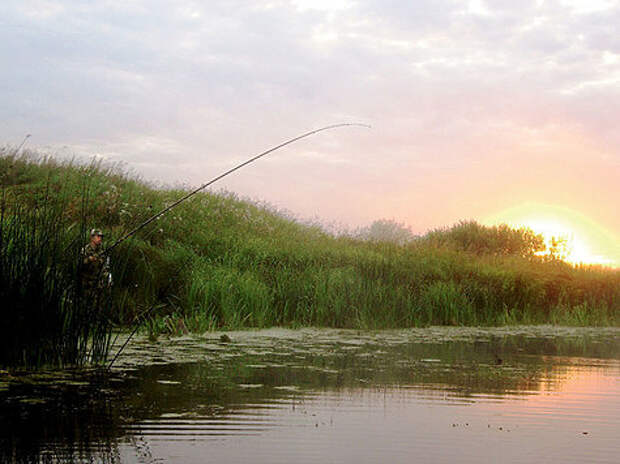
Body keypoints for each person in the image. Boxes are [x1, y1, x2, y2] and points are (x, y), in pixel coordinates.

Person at [80, 229, 112, 305]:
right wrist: (90, 259)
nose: (100, 239)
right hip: (87, 283)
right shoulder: (85, 250)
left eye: (101, 237)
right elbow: (81, 264)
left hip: (98, 283)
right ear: (92, 238)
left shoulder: (102, 251)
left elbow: (105, 266)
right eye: (98, 236)